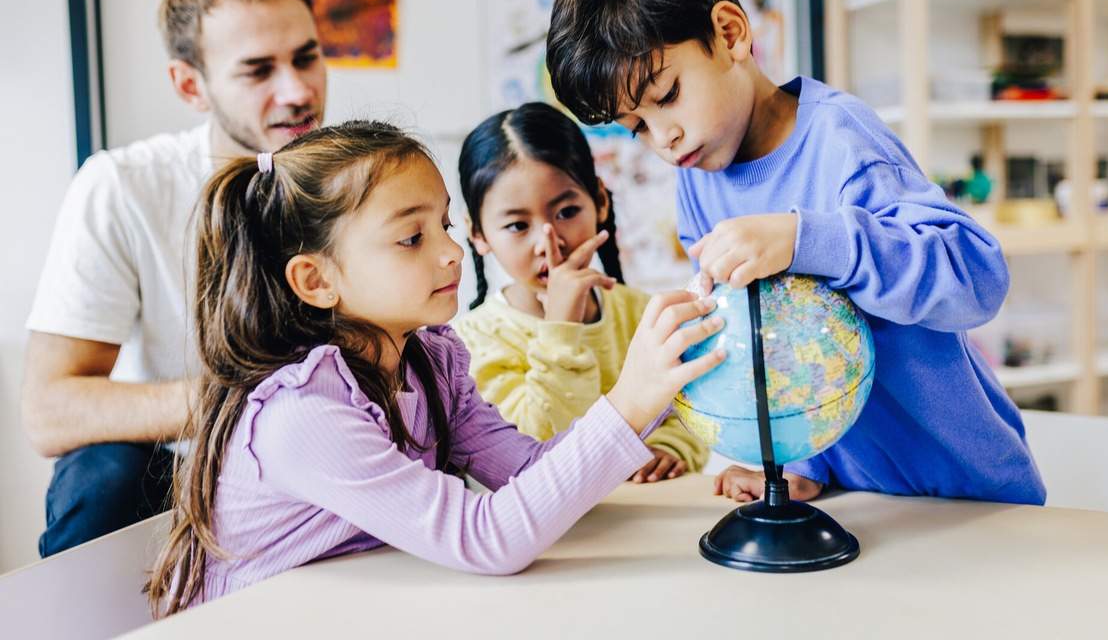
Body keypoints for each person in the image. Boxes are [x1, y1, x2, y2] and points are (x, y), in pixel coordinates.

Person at [145, 120, 726, 615]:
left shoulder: (428, 363)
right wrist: (630, 397)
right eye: (410, 238)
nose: (450, 252)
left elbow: (526, 471)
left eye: (445, 225)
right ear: (316, 281)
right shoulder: (303, 413)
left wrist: (650, 396)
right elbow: (487, 537)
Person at [544, 0, 1046, 506]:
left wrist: (806, 239)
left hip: (963, 492)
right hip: (852, 501)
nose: (664, 138)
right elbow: (779, 346)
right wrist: (798, 463)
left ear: (730, 34)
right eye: (635, 126)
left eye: (668, 95)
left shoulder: (841, 141)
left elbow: (977, 279)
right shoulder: (697, 182)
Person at [21, 0, 327, 556]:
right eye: (258, 70)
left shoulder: (359, 183)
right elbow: (49, 410)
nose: (297, 90)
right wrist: (247, 399)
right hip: (181, 463)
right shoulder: (123, 186)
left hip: (324, 449)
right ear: (191, 85)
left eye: (307, 57)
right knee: (101, 474)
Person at [454, 102, 708, 483]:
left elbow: (692, 413)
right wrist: (560, 328)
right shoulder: (470, 342)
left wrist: (671, 449)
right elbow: (531, 458)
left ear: (600, 201)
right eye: (517, 225)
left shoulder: (642, 314)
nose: (548, 241)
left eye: (567, 211)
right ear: (478, 235)